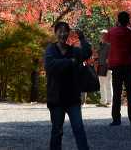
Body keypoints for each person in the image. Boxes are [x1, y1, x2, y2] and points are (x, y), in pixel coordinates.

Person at [44, 22, 91, 150]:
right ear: (56, 33)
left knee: (78, 128)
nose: (63, 34)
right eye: (60, 31)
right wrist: (70, 62)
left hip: (72, 97)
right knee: (57, 131)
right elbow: (50, 66)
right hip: (56, 97)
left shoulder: (74, 50)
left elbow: (87, 53)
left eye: (65, 31)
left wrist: (82, 38)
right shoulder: (50, 50)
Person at [104, 11, 131, 126]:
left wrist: (116, 26)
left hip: (116, 65)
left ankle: (116, 119)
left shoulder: (112, 32)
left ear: (118, 20)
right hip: (129, 65)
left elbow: (106, 38)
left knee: (117, 92)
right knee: (130, 92)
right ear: (128, 20)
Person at [96, 32, 112, 107]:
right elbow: (97, 55)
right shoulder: (100, 45)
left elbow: (111, 55)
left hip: (107, 67)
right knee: (101, 84)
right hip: (100, 66)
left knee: (108, 84)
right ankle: (103, 101)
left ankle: (109, 101)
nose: (101, 36)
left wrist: (108, 60)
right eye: (100, 35)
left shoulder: (109, 45)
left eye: (102, 35)